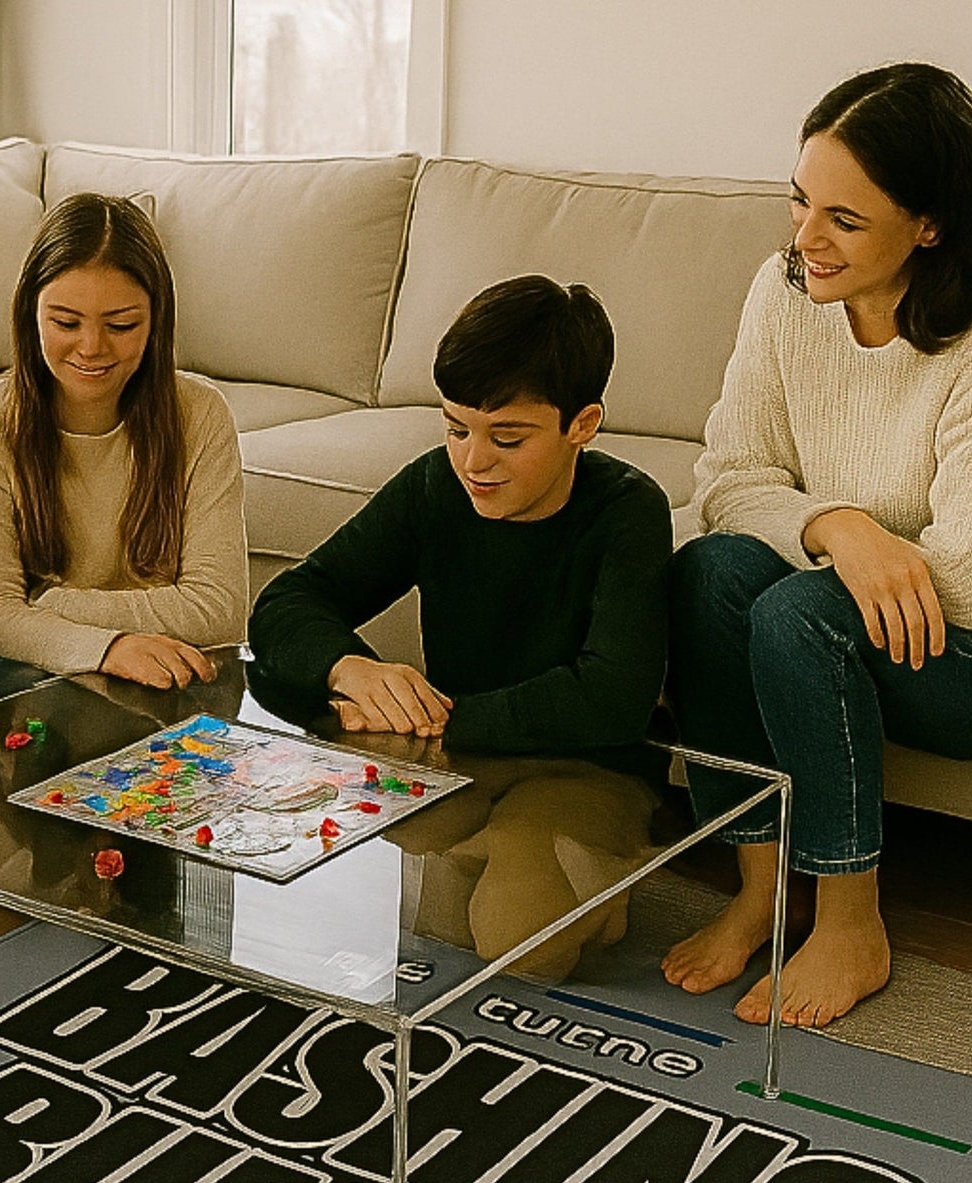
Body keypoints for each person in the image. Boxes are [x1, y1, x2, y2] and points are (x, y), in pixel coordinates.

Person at [663, 62, 972, 1027]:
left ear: (929, 225)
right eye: (800, 201)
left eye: (844, 219)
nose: (806, 238)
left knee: (800, 614)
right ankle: (763, 892)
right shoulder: (784, 290)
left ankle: (850, 924)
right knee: (710, 573)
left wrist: (840, 563)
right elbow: (729, 483)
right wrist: (839, 528)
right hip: (868, 595)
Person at [246, 275, 673, 975]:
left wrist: (439, 719)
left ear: (582, 425)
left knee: (520, 947)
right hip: (459, 758)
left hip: (589, 766)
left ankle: (571, 868)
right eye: (456, 428)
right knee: (395, 910)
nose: (474, 461)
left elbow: (613, 697)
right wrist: (351, 669)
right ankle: (507, 852)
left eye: (507, 438)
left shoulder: (628, 511)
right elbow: (289, 600)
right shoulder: (433, 488)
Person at [0, 193, 249, 688]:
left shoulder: (201, 414)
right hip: (39, 678)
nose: (91, 348)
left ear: (156, 321)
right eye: (65, 323)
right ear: (30, 313)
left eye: (121, 325)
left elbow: (219, 611)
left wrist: (54, 605)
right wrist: (107, 649)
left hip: (175, 678)